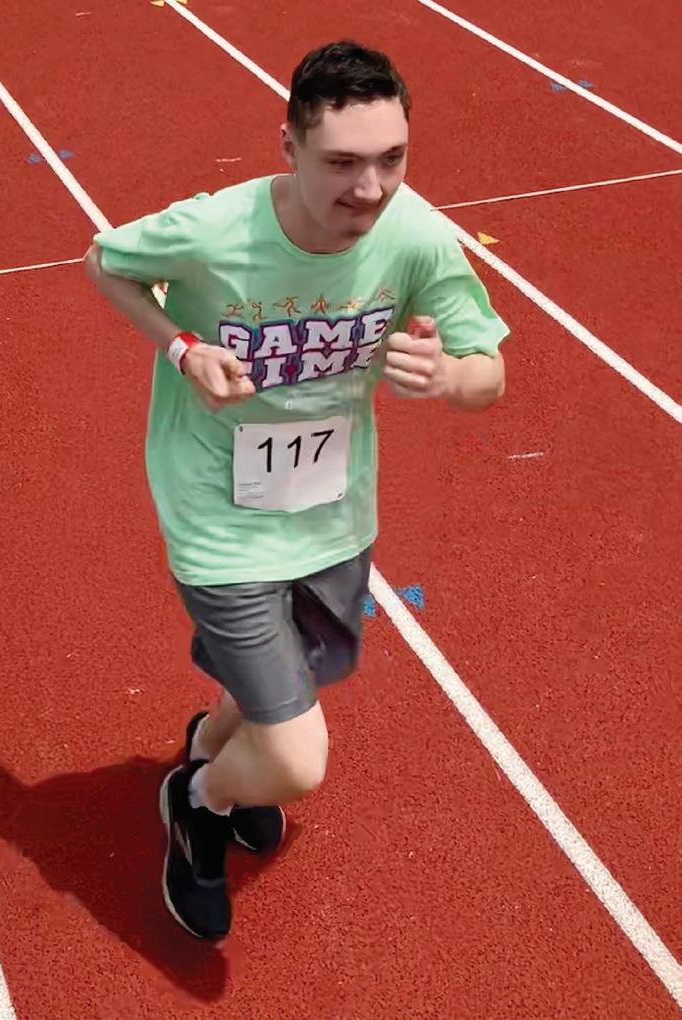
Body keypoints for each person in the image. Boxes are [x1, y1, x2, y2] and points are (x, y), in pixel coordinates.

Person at [84, 38, 509, 943]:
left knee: (276, 692)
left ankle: (208, 749)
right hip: (218, 518)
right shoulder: (214, 230)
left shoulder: (414, 234)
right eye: (342, 163)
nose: (370, 188)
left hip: (331, 518)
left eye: (391, 159)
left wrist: (449, 377)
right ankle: (198, 800)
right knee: (296, 758)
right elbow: (105, 262)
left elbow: (488, 372)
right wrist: (182, 349)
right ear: (289, 147)